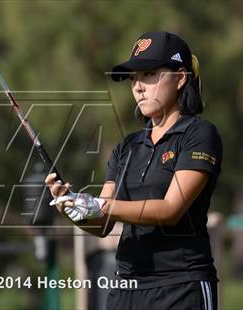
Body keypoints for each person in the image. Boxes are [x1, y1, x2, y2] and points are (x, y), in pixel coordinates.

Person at [45, 31, 222, 310]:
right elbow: (103, 225)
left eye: (149, 74)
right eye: (134, 78)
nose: (138, 86)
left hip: (180, 287)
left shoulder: (199, 135)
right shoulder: (126, 147)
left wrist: (99, 204)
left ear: (180, 78)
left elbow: (169, 210)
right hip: (126, 288)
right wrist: (72, 207)